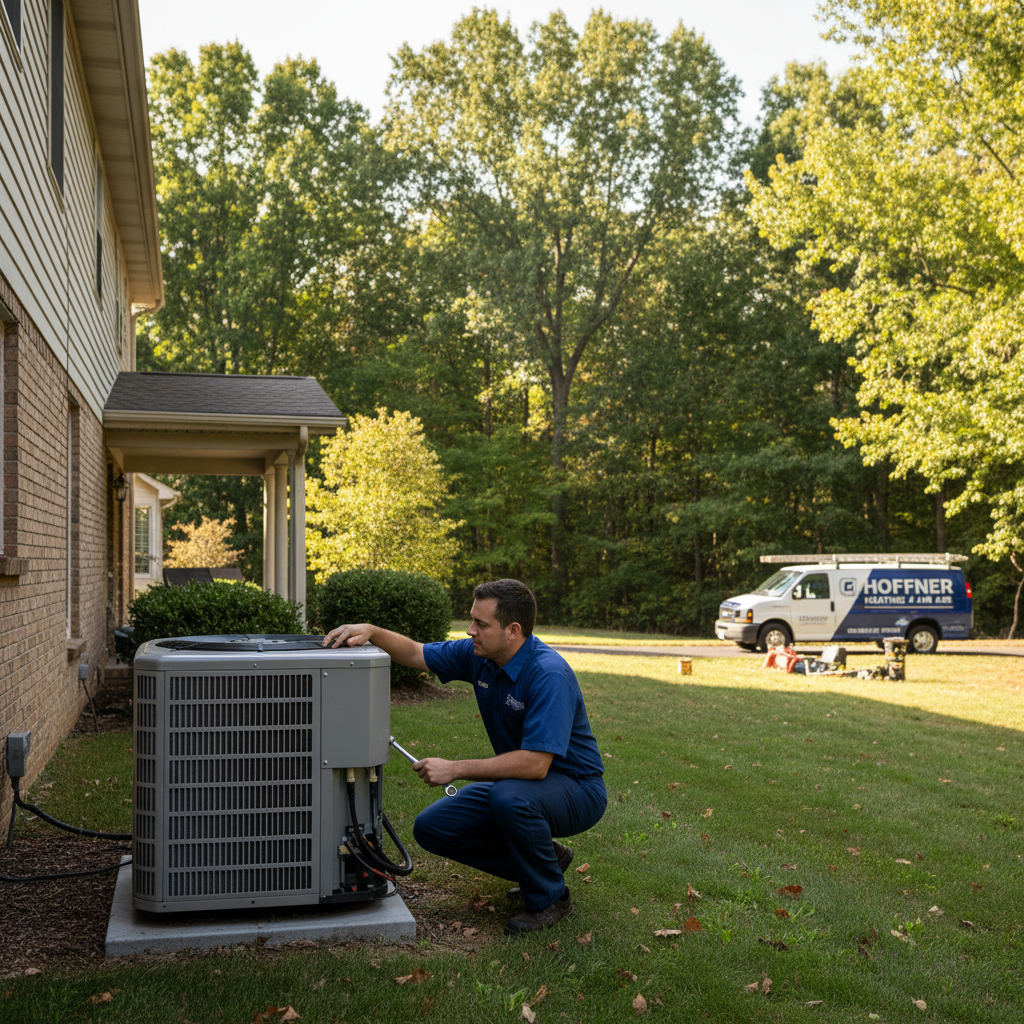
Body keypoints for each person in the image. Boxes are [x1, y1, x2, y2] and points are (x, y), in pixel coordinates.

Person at [323, 578, 606, 934]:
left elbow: (536, 765)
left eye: (481, 624)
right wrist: (372, 631)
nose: (470, 630)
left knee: (509, 797)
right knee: (433, 828)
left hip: (576, 789)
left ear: (512, 631)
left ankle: (549, 898)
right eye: (471, 620)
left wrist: (455, 768)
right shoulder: (479, 656)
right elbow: (416, 653)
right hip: (521, 785)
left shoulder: (548, 675)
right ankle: (546, 859)